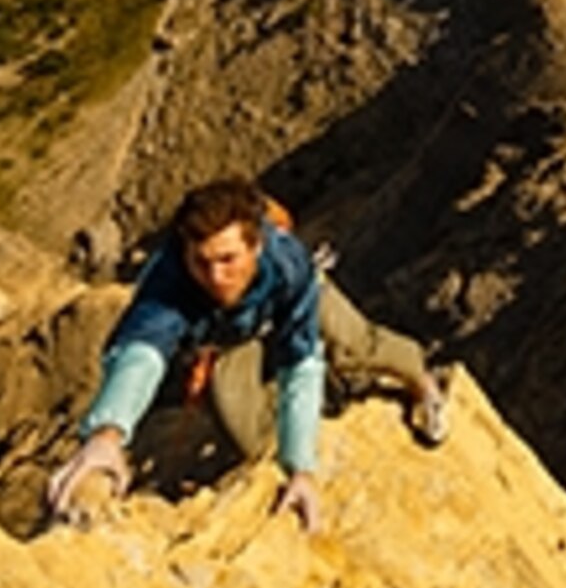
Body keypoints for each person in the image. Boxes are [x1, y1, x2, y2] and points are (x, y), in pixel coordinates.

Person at [46, 178, 449, 532]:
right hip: (230, 338)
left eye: (228, 260)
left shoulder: (288, 264)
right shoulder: (168, 279)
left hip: (286, 304)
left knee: (356, 343)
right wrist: (106, 435)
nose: (216, 277)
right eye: (202, 263)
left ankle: (422, 381)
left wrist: (302, 470)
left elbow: (301, 362)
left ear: (256, 245)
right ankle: (296, 429)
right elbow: (141, 351)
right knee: (247, 434)